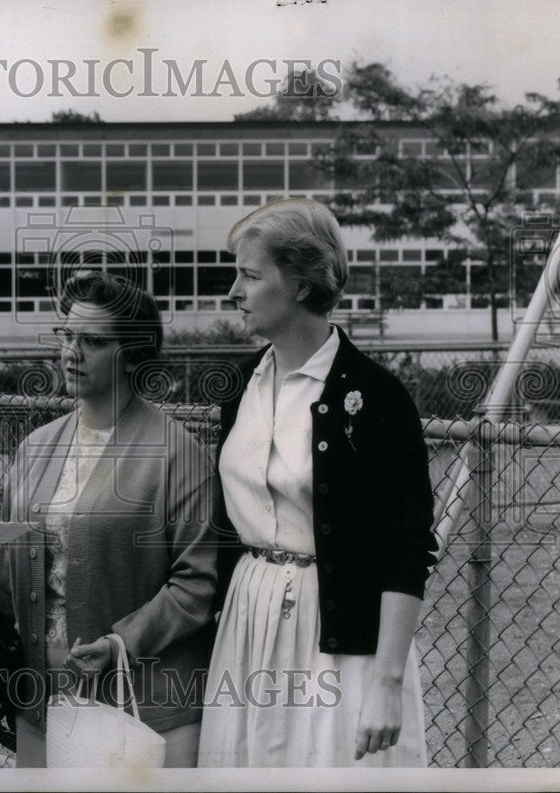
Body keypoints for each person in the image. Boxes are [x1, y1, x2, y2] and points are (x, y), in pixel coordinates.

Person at [197, 199, 437, 768]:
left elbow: (407, 547)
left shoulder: (376, 396)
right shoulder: (241, 387)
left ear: (302, 284)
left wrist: (386, 680)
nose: (234, 290)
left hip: (337, 631)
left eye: (250, 275)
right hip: (248, 620)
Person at [0, 272, 218, 768]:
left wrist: (121, 642)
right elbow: (8, 572)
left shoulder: (177, 453)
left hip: (143, 706)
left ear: (133, 353)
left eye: (92, 341)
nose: (72, 351)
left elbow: (197, 582)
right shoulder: (35, 448)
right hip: (40, 702)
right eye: (66, 335)